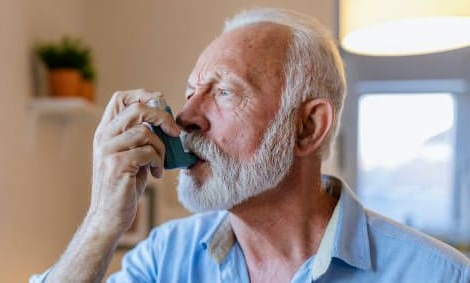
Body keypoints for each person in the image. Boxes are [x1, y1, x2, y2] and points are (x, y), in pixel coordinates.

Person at [31, 8, 470, 283]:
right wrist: (102, 221)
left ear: (307, 127)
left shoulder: (440, 276)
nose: (186, 118)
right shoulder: (165, 260)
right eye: (190, 92)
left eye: (224, 93)